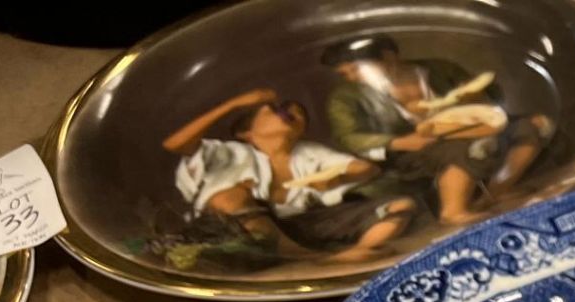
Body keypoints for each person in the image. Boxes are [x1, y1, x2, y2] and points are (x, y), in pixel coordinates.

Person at [320, 34, 555, 226]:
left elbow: (488, 98)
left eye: (357, 69)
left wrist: (474, 97)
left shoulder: (438, 69)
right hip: (411, 150)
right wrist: (399, 142)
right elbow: (349, 137)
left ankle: (494, 193)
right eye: (345, 73)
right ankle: (453, 211)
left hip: (471, 127)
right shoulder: (346, 98)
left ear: (388, 57)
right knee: (464, 148)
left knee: (531, 126)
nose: (352, 78)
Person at [162, 89, 420, 262]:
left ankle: (359, 250)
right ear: (246, 132)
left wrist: (337, 178)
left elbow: (366, 168)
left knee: (401, 205)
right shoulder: (229, 152)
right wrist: (235, 104)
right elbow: (174, 145)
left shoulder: (308, 153)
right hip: (236, 228)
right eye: (278, 109)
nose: (292, 113)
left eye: (299, 116)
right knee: (228, 197)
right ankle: (307, 258)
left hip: (306, 224)